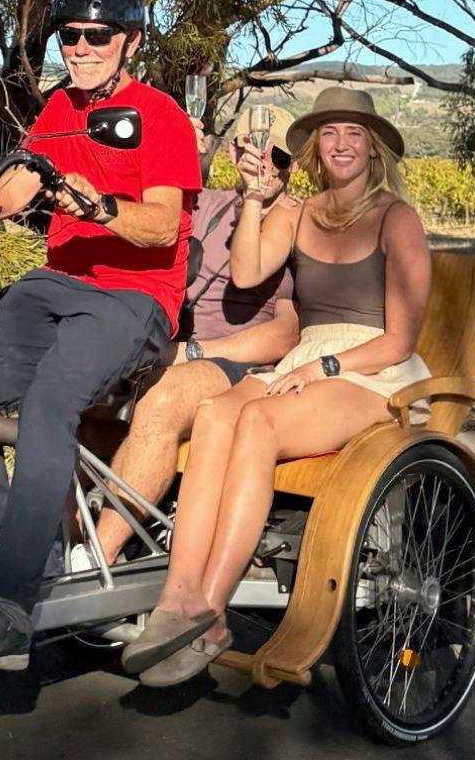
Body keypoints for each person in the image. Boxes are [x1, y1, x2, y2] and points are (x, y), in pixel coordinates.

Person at [0, 0, 202, 671]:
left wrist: (95, 205)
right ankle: (16, 542)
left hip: (135, 298)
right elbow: (21, 183)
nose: (79, 48)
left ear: (130, 43)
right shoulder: (59, 108)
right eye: (69, 36)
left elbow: (161, 225)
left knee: (50, 400)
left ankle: (14, 609)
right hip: (58, 283)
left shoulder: (159, 116)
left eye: (95, 36)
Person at [119, 86, 433, 686]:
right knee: (215, 413)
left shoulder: (397, 218)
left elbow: (399, 340)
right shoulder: (300, 212)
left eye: (355, 133)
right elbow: (246, 273)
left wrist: (324, 368)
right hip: (306, 358)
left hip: (372, 371)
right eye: (330, 133)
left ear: (373, 148)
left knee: (258, 422)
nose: (341, 144)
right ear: (316, 147)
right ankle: (176, 601)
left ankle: (211, 614)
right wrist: (256, 200)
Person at [86, 105, 302, 570]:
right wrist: (174, 152)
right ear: (234, 153)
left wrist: (194, 352)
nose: (264, 163)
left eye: (278, 156)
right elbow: (139, 221)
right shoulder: (206, 205)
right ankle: (58, 541)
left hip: (240, 365)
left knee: (162, 399)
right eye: (252, 149)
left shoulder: (294, 223)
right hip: (167, 348)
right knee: (75, 389)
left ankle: (96, 559)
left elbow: (286, 334)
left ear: (294, 165)